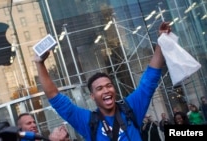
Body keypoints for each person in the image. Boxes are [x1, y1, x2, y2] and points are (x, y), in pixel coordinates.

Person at [34, 22, 168, 141]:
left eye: (109, 86)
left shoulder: (130, 109)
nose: (106, 90)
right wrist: (40, 64)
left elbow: (149, 81)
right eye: (99, 88)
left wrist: (161, 42)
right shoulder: (87, 122)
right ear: (92, 96)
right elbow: (57, 100)